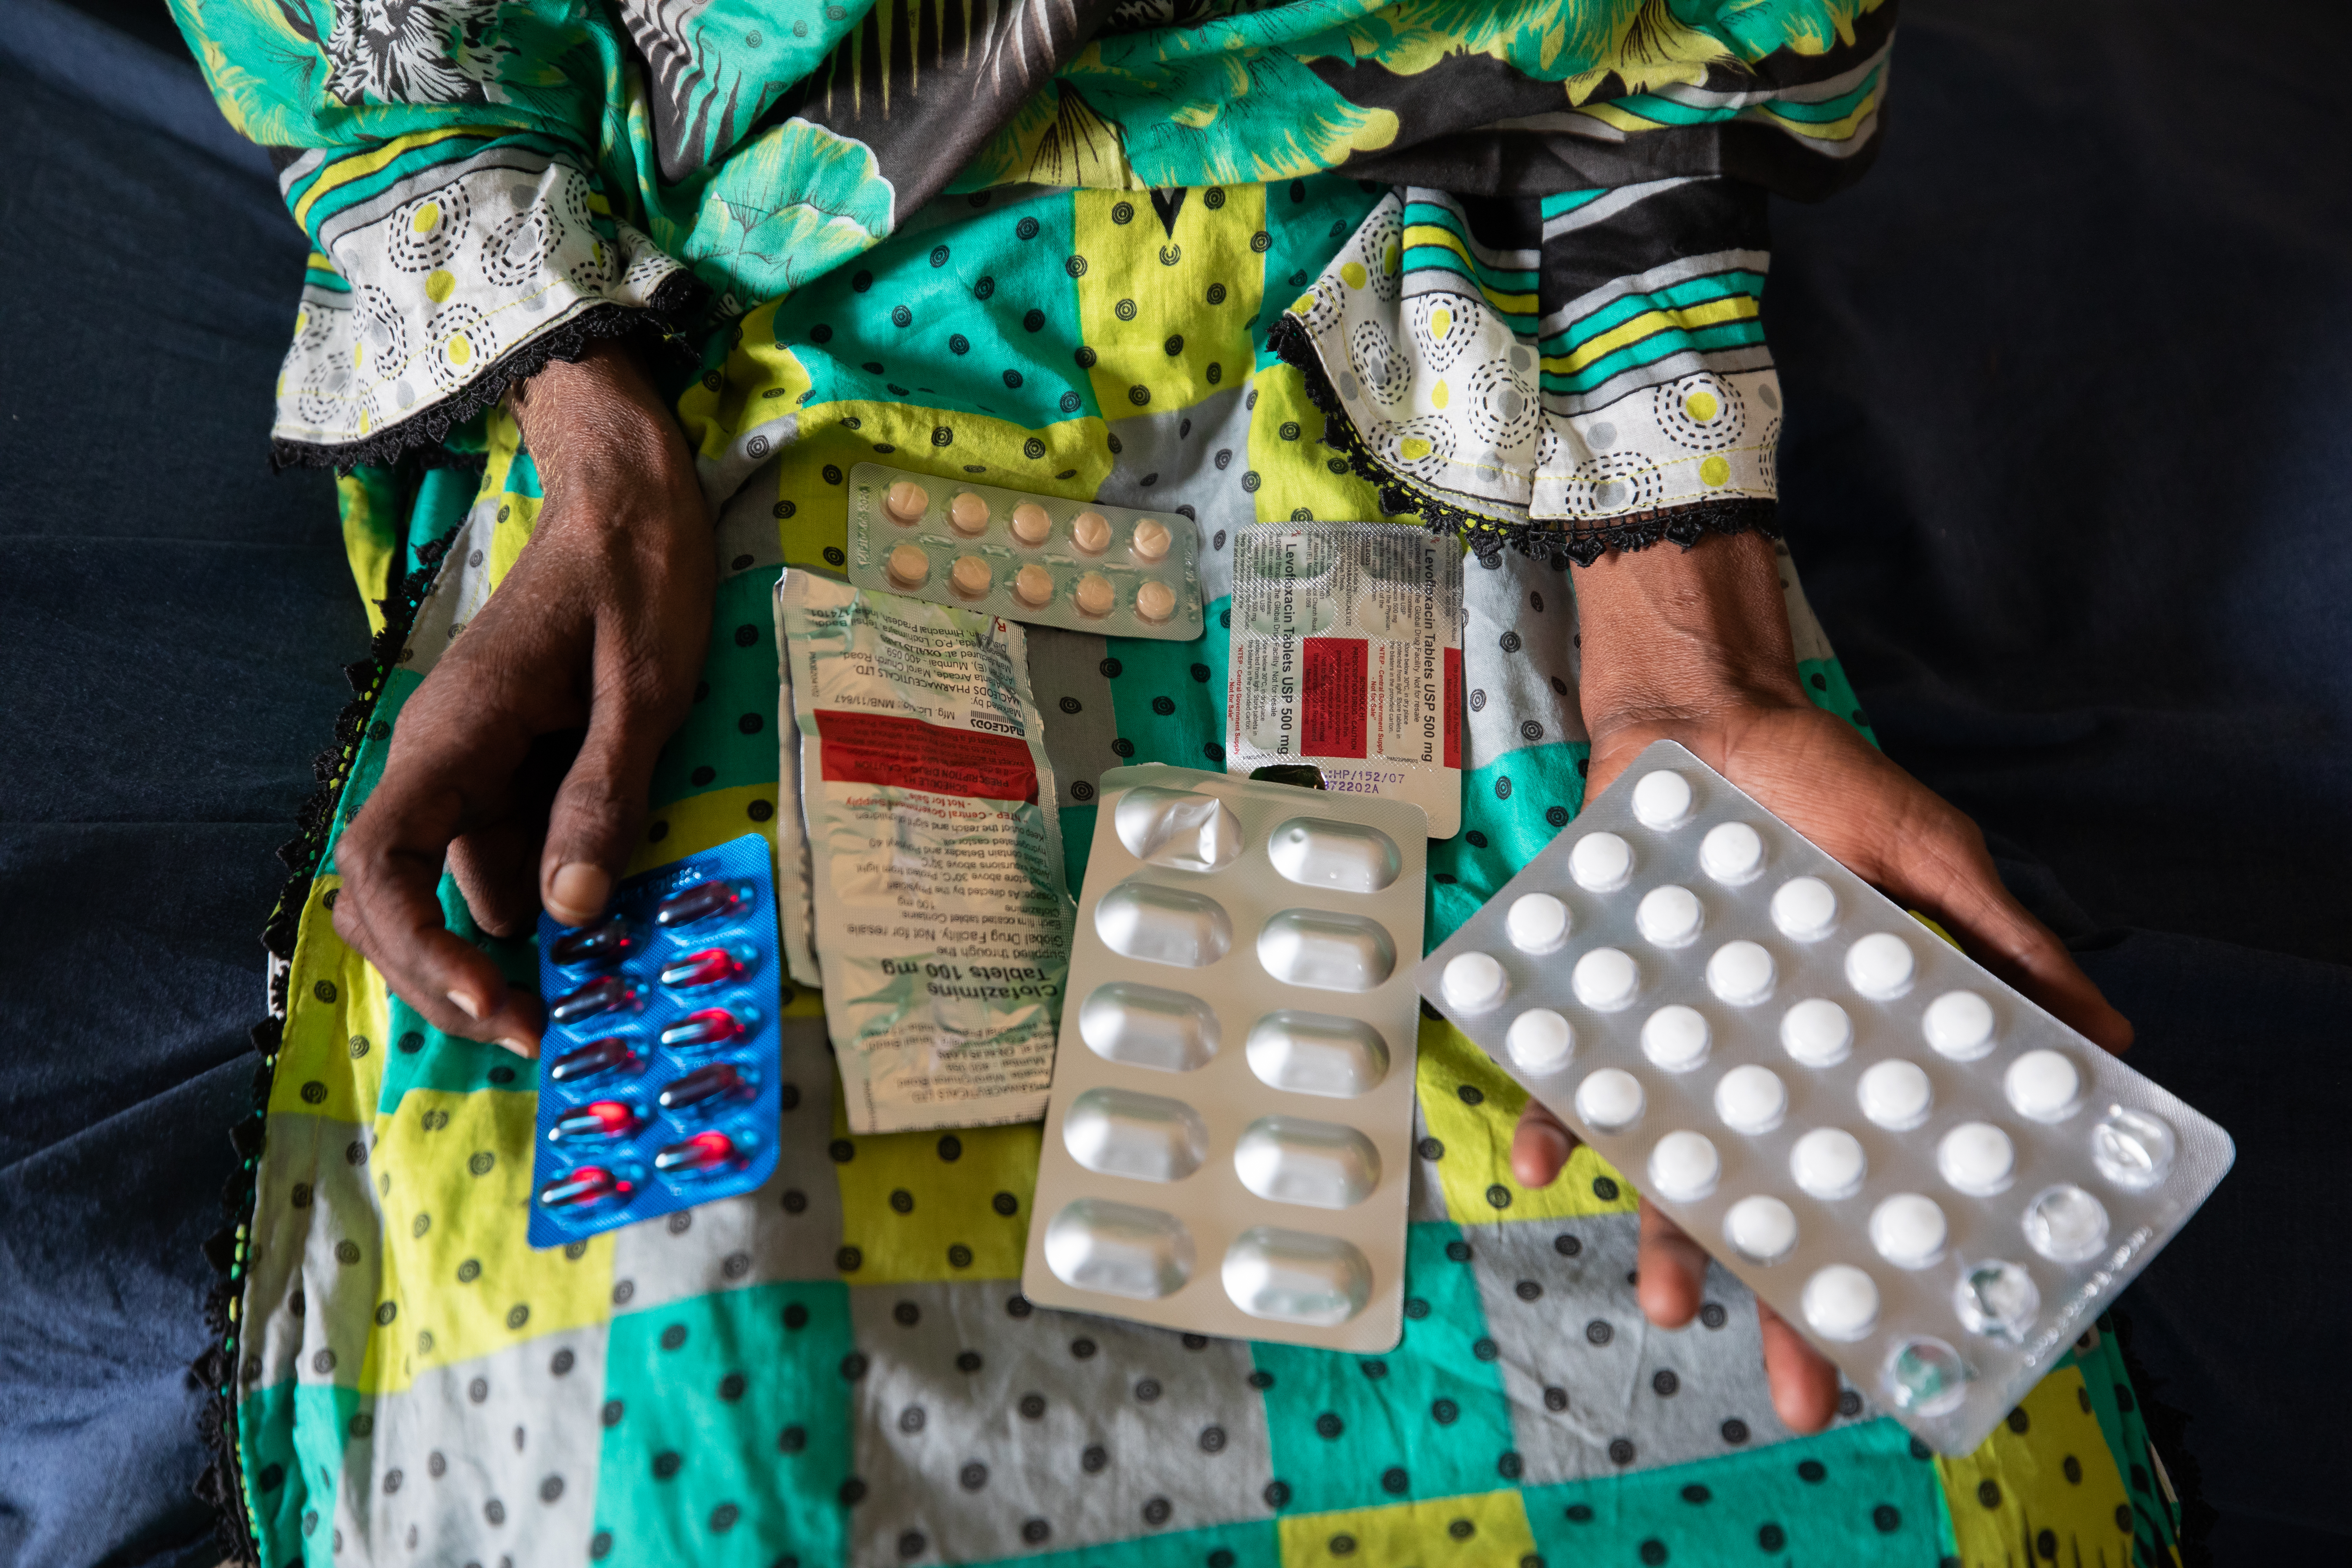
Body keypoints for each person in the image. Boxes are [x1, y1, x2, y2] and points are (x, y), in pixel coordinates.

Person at [171, 2, 2154, 1562]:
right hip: (762, 325)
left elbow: (1655, 48)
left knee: (1841, 1408)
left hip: (1428, 327)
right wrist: (591, 439)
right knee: (694, 1438)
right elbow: (396, 43)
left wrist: (1684, 648)